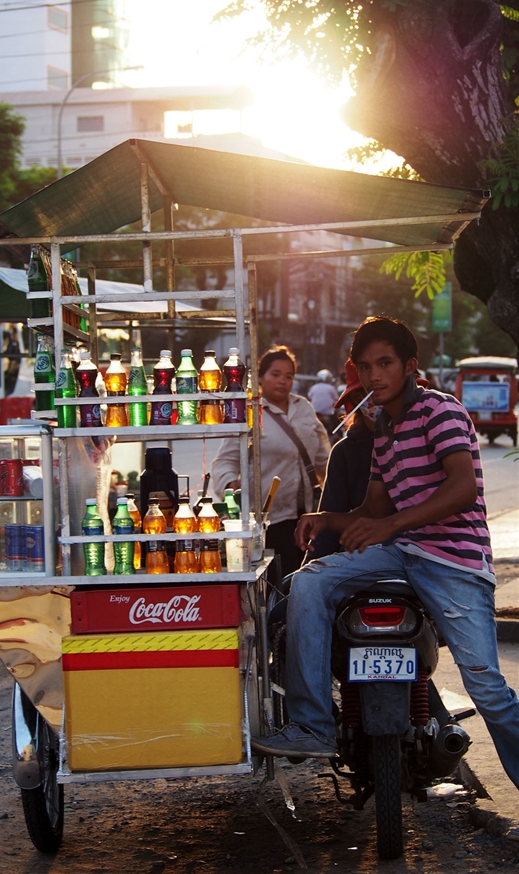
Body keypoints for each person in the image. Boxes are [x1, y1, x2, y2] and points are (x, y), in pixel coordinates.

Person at [251, 316, 519, 792]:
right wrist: (325, 519)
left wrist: (389, 525)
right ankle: (313, 725)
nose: (375, 375)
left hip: (455, 563)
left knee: (488, 690)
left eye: (385, 363)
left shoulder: (443, 411)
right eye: (366, 366)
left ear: (410, 366)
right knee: (307, 582)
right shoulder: (384, 429)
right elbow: (371, 507)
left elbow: (461, 488)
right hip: (404, 554)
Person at [211, 345, 330, 583]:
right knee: (277, 582)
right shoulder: (250, 411)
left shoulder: (304, 407)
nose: (282, 381)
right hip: (268, 518)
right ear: (261, 377)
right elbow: (225, 460)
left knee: (306, 580)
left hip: (307, 514)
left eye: (288, 376)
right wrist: (233, 489)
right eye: (275, 374)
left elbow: (323, 458)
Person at [306, 358, 375, 561]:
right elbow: (332, 518)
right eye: (366, 394)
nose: (376, 401)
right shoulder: (345, 453)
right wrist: (311, 568)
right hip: (361, 560)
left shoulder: (421, 437)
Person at [307, 370, 338, 438]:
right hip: (329, 412)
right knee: (336, 422)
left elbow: (309, 397)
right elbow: (336, 399)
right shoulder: (331, 388)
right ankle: (336, 434)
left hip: (315, 412)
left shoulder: (313, 387)